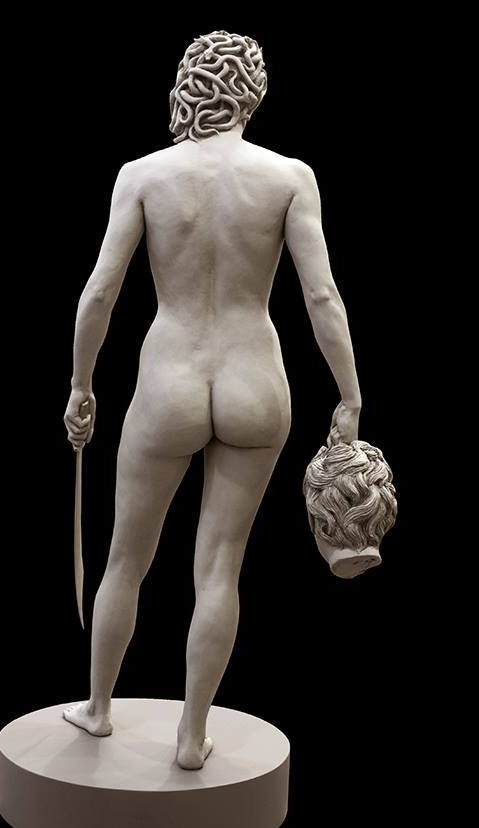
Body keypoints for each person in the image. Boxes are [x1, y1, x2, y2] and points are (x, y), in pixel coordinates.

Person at [63, 30, 362, 769]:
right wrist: (350, 395)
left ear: (187, 88)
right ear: (252, 93)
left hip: (169, 380)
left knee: (125, 559)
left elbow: (99, 292)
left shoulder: (143, 175)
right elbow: (321, 296)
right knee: (221, 567)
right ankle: (192, 737)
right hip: (255, 381)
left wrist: (81, 384)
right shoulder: (288, 176)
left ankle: (98, 710)